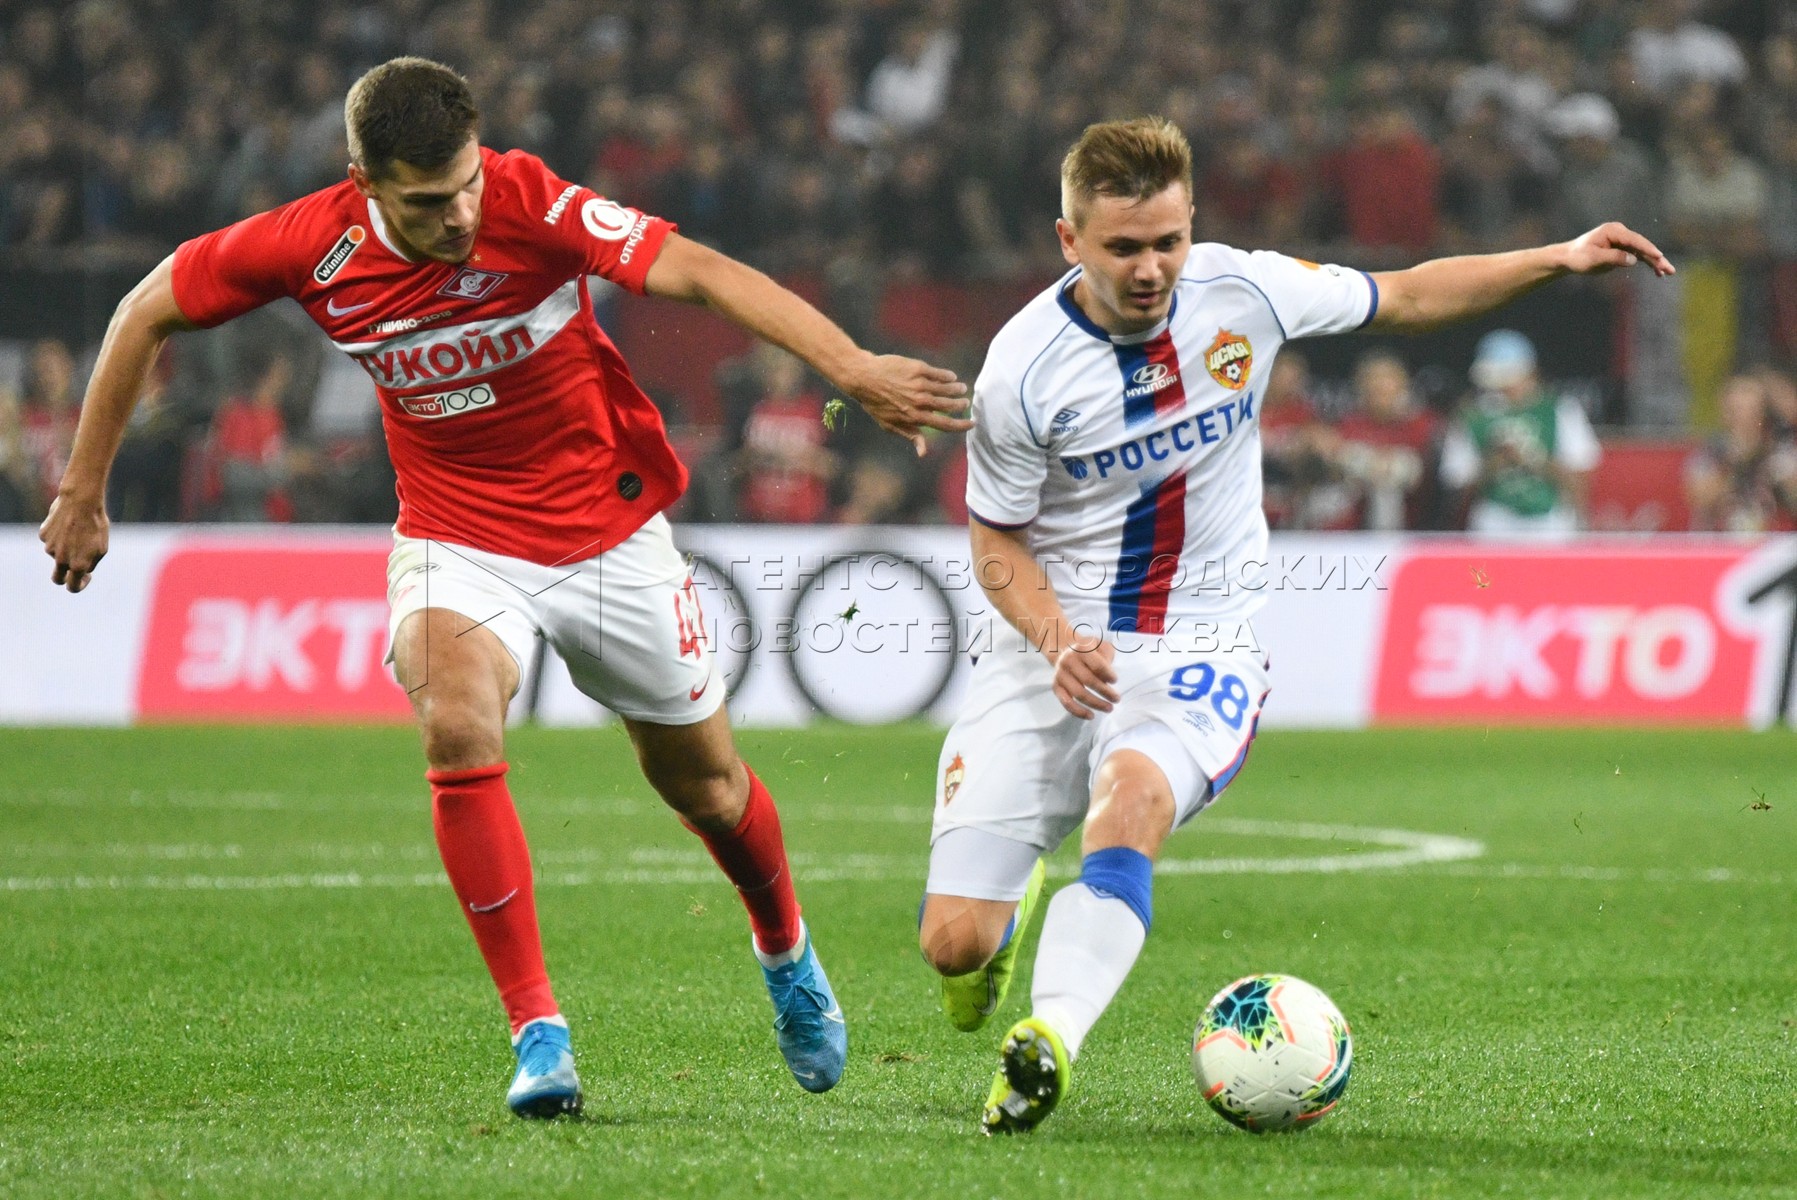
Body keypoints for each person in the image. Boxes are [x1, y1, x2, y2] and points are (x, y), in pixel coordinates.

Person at [39, 58, 967, 1118]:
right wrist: (82, 489)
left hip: (605, 531)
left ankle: (785, 947)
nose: (461, 215)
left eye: (468, 184)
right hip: (457, 536)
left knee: (707, 787)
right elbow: (141, 312)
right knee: (455, 722)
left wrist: (852, 367)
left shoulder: (531, 201)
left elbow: (702, 271)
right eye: (429, 201)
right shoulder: (308, 245)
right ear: (363, 182)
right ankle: (538, 1033)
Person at [914, 117, 1671, 1136]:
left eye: (1168, 241)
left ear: (1192, 224)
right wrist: (1054, 639)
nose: (1151, 269)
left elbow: (1408, 294)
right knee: (953, 943)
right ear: (1068, 241)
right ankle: (1000, 932)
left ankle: (1049, 1040)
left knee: (1132, 802)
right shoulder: (1021, 368)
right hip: (1050, 650)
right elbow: (995, 538)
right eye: (1123, 247)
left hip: (1201, 639)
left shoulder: (1246, 291)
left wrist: (1557, 257)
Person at [1438, 330, 1602, 537]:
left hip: (1550, 522)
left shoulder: (1561, 409)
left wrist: (1533, 458)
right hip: (1493, 522)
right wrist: (1495, 462)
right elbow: (1457, 487)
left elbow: (1580, 475)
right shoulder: (1473, 416)